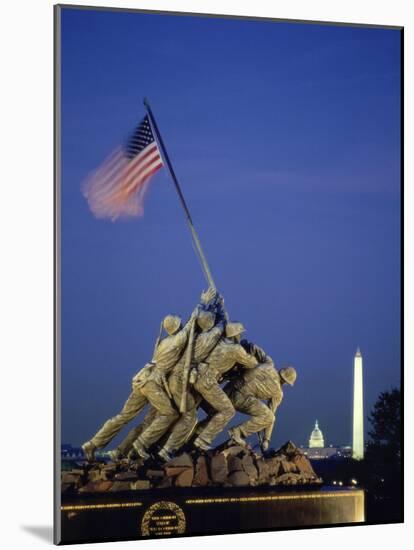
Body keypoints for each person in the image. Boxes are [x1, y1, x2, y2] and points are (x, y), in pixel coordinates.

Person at [191, 322, 258, 451]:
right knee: (228, 411)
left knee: (214, 411)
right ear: (236, 334)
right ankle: (202, 440)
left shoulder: (219, 343)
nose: (241, 335)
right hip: (208, 381)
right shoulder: (235, 349)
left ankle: (195, 435)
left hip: (199, 378)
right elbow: (252, 363)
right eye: (240, 333)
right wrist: (253, 351)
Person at [225, 341, 297, 451]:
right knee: (269, 417)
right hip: (240, 398)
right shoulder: (278, 393)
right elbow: (270, 417)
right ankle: (237, 433)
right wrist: (266, 440)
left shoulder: (269, 364)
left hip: (229, 389)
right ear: (286, 382)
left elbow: (255, 348)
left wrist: (244, 344)